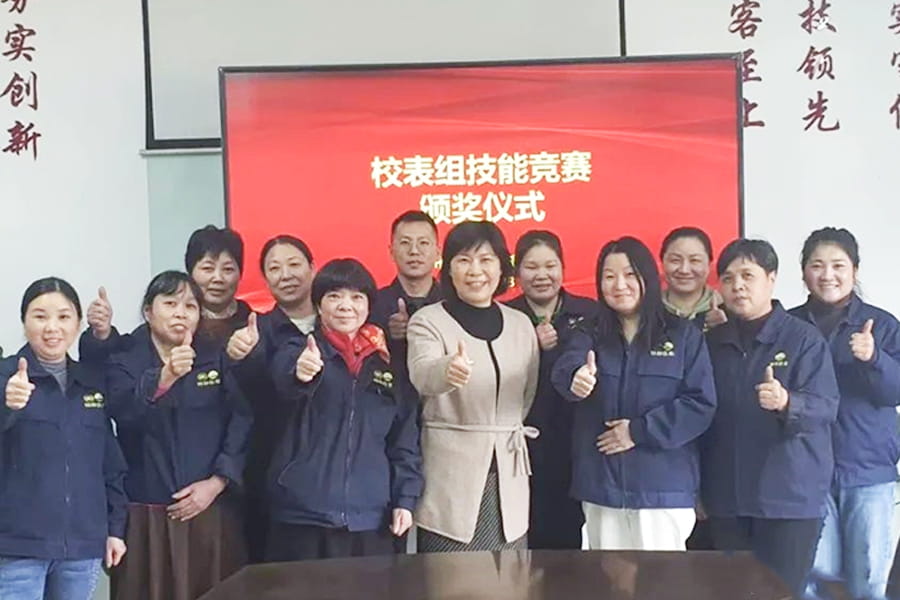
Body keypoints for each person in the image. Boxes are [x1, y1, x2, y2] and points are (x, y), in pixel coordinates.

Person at [551, 237, 717, 551]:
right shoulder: (589, 332)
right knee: (605, 576)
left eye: (629, 274)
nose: (619, 285)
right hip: (602, 487)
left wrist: (638, 432)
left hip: (662, 489)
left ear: (647, 277)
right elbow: (567, 366)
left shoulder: (682, 335)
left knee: (662, 578)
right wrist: (576, 378)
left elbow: (700, 403)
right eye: (609, 276)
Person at [701, 238, 839, 598]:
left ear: (771, 278)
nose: (738, 286)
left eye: (748, 275)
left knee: (780, 594)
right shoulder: (713, 343)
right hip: (728, 500)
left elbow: (826, 407)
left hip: (788, 501)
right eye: (728, 278)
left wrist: (787, 402)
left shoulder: (803, 339)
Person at [106, 271, 252, 600]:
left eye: (190, 306)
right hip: (145, 515)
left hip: (209, 509)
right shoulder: (123, 359)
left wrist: (218, 482)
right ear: (148, 311)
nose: (180, 314)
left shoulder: (215, 356)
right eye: (170, 304)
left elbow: (242, 420)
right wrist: (165, 377)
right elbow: (123, 414)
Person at [266, 258, 423, 561]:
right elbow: (283, 381)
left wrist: (405, 498)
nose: (345, 306)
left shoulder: (387, 365)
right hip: (302, 515)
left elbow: (404, 441)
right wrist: (301, 373)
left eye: (356, 297)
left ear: (368, 306)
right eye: (334, 296)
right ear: (318, 304)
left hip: (371, 517)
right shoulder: (297, 350)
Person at [407, 221, 540, 551]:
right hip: (451, 478)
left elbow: (527, 394)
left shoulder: (521, 324)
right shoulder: (428, 320)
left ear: (501, 267)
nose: (475, 271)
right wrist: (448, 371)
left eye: (486, 260)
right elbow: (422, 374)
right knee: (453, 573)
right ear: (448, 268)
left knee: (510, 572)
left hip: (509, 473)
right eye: (464, 260)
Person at [790, 227, 900, 600]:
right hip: (806, 472)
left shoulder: (882, 325)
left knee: (868, 581)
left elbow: (895, 391)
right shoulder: (788, 325)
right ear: (803, 272)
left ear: (855, 270)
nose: (827, 275)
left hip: (867, 472)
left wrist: (874, 358)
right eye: (817, 265)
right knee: (814, 582)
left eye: (838, 265)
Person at [0, 277, 127, 600]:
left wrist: (115, 529)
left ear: (78, 323)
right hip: (17, 546)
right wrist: (7, 405)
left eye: (64, 316)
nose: (52, 327)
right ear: (24, 322)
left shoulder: (90, 383)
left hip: (82, 546)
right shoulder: (5, 376)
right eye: (40, 316)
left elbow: (109, 464)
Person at [226, 234, 316, 562]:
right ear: (265, 279)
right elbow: (250, 394)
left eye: (294, 264)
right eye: (274, 269)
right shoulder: (256, 330)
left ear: (312, 268)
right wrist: (241, 356)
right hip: (272, 479)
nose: (285, 275)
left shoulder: (338, 322)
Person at [506, 230, 597, 550]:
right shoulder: (504, 316)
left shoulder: (590, 312)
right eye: (531, 267)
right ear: (517, 273)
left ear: (563, 268)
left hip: (579, 446)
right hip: (520, 450)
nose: (542, 275)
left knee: (575, 546)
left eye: (550, 266)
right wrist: (529, 344)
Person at [79, 225, 251, 363]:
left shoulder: (253, 325)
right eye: (208, 268)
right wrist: (102, 333)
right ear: (190, 272)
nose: (218, 278)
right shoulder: (163, 325)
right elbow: (109, 363)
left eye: (228, 269)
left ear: (240, 273)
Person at [660, 226, 727, 331]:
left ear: (709, 265)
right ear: (662, 263)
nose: (684, 270)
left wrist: (726, 328)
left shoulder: (728, 308)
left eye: (695, 260)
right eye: (675, 260)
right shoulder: (648, 311)